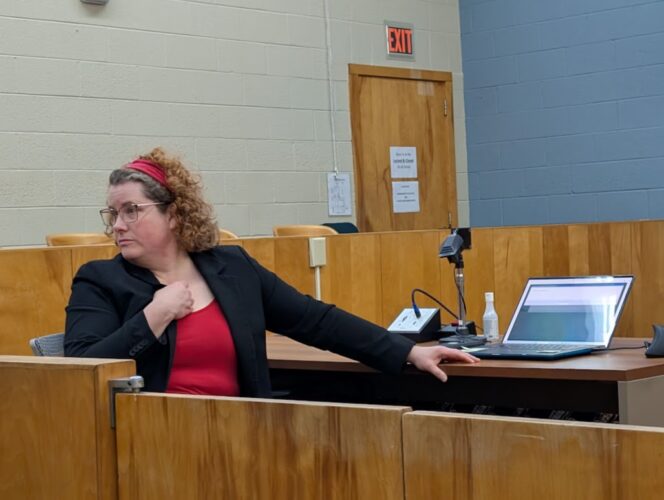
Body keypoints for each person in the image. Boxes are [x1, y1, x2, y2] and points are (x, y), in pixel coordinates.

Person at [64, 148, 478, 396]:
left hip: (244, 435)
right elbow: (79, 370)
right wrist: (155, 316)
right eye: (112, 214)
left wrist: (406, 351)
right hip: (150, 442)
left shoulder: (232, 268)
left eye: (131, 211)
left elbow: (315, 320)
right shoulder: (99, 280)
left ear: (173, 214)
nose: (117, 225)